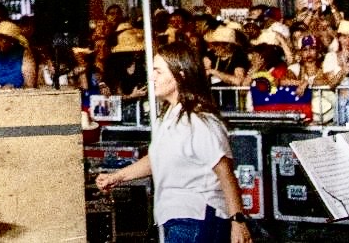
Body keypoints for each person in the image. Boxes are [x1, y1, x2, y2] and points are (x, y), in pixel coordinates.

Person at [96, 40, 254, 243]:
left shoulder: (199, 120)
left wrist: (238, 221)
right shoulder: (168, 116)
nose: (151, 77)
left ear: (181, 74)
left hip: (198, 217)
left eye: (158, 71)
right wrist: (117, 177)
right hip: (178, 218)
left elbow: (225, 172)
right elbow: (157, 159)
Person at [0, 21, 37, 89]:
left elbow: (30, 86)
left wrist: (14, 88)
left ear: (13, 41)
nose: (2, 42)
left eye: (6, 39)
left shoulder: (25, 54)